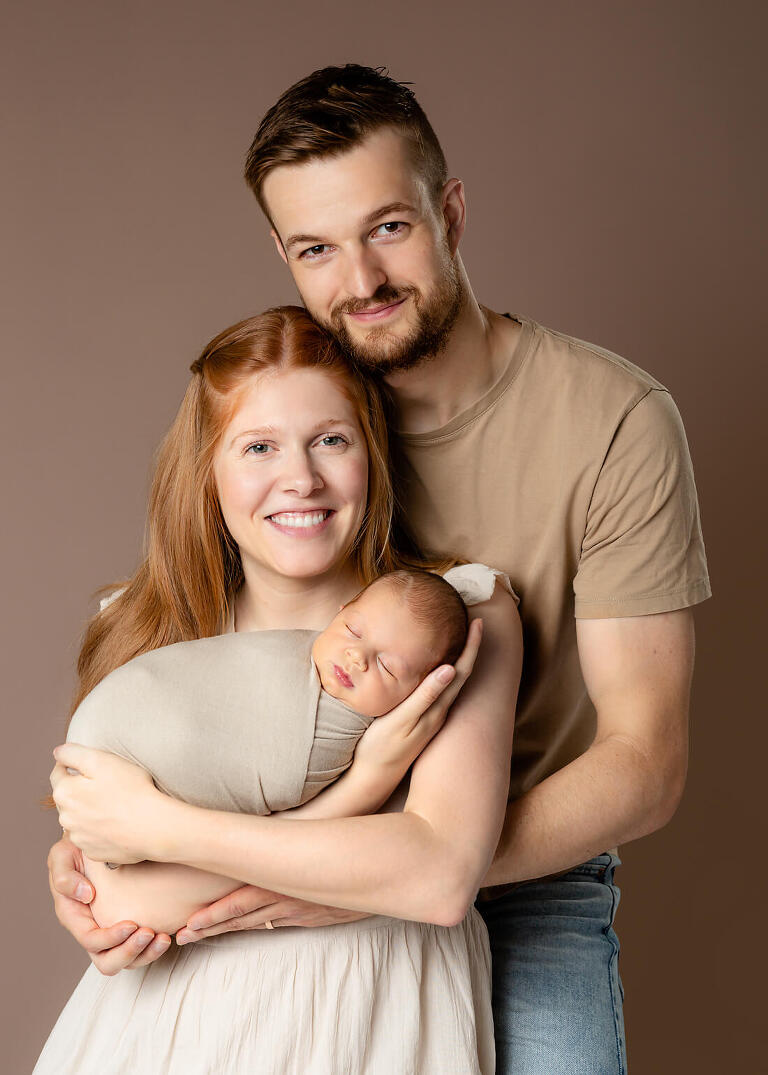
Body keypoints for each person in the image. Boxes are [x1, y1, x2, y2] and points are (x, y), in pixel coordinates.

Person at [47, 66, 711, 1073]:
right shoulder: (302, 409)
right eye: (318, 248)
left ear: (450, 212)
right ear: (284, 255)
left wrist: (361, 872)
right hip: (290, 849)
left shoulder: (611, 421)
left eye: (388, 229)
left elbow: (645, 759)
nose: (359, 279)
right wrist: (98, 857)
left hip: (525, 870)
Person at [39, 306, 521, 1074]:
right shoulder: (147, 629)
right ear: (208, 469)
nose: (300, 477)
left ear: (373, 453)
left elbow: (435, 877)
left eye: (332, 439)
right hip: (170, 1031)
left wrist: (161, 828)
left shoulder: (454, 616)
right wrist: (364, 792)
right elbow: (127, 906)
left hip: (376, 1016)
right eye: (258, 446)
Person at [66, 567, 473, 935]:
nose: (358, 657)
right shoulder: (147, 618)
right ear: (341, 611)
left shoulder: (470, 605)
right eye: (352, 631)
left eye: (388, 668)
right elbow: (108, 882)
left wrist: (372, 776)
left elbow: (443, 882)